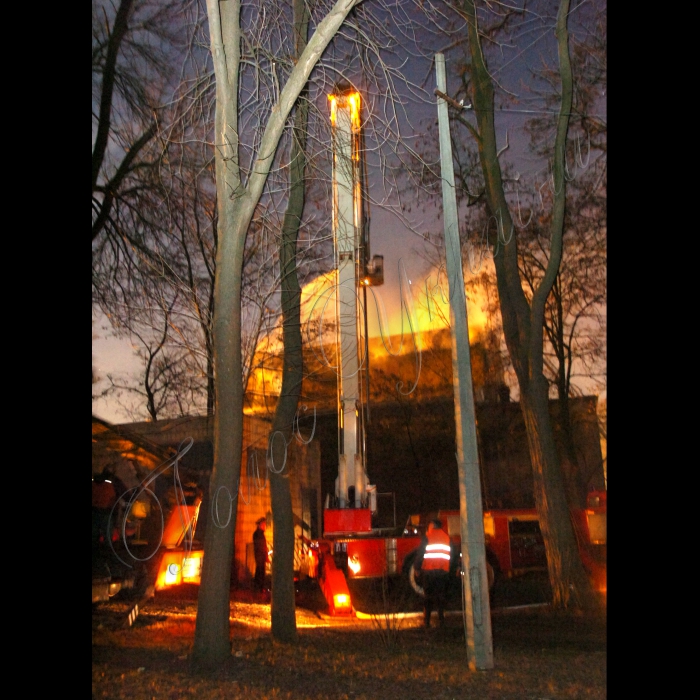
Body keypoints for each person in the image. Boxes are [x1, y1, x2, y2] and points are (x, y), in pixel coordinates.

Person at [414, 518, 452, 628]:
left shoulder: (428, 537)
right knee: (441, 596)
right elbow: (452, 555)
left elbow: (420, 553)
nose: (428, 527)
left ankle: (427, 621)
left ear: (433, 525)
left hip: (429, 572)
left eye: (429, 525)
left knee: (428, 597)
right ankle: (441, 619)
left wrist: (417, 568)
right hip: (442, 572)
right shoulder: (446, 537)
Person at [92, 471, 117, 550]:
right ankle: (95, 550)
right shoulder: (93, 485)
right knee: (94, 532)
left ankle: (107, 550)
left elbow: (112, 499)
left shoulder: (108, 485)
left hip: (105, 512)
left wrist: (110, 509)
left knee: (107, 533)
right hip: (95, 511)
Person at [253, 516, 269, 594]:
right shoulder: (257, 534)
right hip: (259, 556)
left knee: (261, 571)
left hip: (261, 556)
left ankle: (259, 587)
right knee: (260, 572)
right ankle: (258, 588)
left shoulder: (261, 534)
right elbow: (259, 545)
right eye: (263, 524)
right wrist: (264, 553)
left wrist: (266, 554)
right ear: (259, 525)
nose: (264, 526)